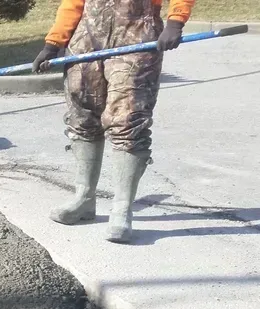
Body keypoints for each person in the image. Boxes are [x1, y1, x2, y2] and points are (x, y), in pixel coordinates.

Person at [32, 0, 194, 242]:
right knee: (82, 118)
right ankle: (84, 199)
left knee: (128, 119)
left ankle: (122, 210)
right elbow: (73, 3)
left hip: (137, 38)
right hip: (85, 41)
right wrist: (53, 42)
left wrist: (175, 22)